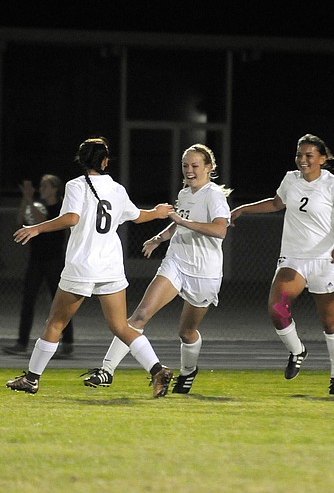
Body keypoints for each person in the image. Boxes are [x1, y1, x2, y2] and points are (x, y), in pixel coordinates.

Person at [6, 137, 175, 397]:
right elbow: (137, 216)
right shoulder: (117, 189)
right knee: (120, 326)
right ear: (105, 161)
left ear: (82, 160)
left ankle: (31, 379)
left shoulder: (76, 185)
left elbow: (72, 217)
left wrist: (36, 227)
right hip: (110, 265)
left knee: (55, 323)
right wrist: (158, 211)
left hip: (83, 265)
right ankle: (156, 369)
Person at [81, 144, 232, 394]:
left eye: (195, 165)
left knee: (187, 332)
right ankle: (106, 370)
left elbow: (220, 230)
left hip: (205, 272)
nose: (189, 170)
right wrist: (159, 238)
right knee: (139, 316)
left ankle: (188, 370)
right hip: (176, 263)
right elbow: (177, 225)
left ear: (209, 167)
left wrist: (183, 221)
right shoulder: (184, 193)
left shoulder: (213, 195)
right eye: (185, 166)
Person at [230, 134, 334, 395]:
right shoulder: (291, 179)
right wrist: (243, 208)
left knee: (330, 323)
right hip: (293, 259)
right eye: (300, 155)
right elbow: (277, 204)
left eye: (309, 155)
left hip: (324, 261)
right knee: (277, 309)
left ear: (322, 158)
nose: (303, 160)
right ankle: (298, 350)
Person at [2, 175, 76, 358]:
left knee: (60, 302)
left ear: (55, 188)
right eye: (41, 185)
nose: (41, 188)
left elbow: (43, 221)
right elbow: (21, 220)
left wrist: (29, 199)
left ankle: (67, 342)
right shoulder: (38, 204)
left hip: (54, 260)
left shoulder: (60, 207)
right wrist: (25, 200)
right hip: (36, 259)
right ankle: (22, 342)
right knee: (28, 301)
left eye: (46, 186)